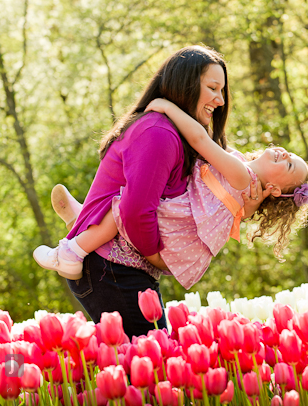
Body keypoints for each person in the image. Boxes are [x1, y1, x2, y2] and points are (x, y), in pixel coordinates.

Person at [34, 46, 263, 337]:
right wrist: (156, 256)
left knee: (147, 366)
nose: (220, 100)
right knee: (149, 370)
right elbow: (134, 212)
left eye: (222, 91)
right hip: (113, 268)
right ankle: (79, 235)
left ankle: (82, 221)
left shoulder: (176, 134)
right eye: (213, 88)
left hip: (123, 268)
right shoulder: (159, 134)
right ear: (186, 84)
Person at [37, 98, 308, 293]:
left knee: (124, 207)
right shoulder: (245, 180)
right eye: (292, 155)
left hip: (181, 227)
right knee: (127, 203)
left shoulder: (242, 176)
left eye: (289, 165)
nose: (285, 154)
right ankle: (83, 218)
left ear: (276, 190)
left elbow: (200, 140)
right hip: (185, 218)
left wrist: (165, 106)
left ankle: (72, 253)